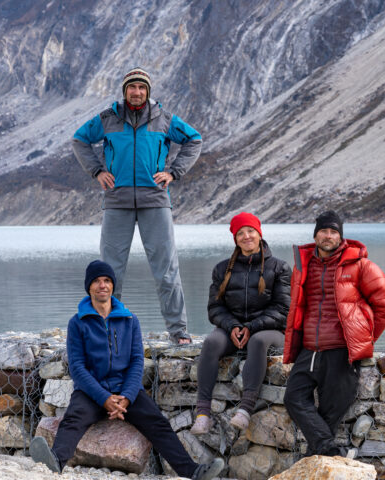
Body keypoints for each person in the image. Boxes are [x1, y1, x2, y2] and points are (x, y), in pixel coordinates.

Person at [29, 261, 223, 479]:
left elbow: (137, 361)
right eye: (96, 281)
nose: (102, 285)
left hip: (126, 391)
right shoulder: (77, 323)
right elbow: (77, 368)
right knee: (73, 419)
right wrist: (104, 398)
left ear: (113, 285)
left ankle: (193, 471)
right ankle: (55, 462)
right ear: (89, 287)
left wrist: (127, 397)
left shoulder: (129, 320)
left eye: (107, 280)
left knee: (158, 422)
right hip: (91, 392)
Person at [72, 67, 201, 344]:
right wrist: (97, 171)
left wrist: (173, 172)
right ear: (125, 90)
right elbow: (79, 139)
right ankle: (105, 330)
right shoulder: (108, 118)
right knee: (109, 272)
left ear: (148, 91)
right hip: (116, 200)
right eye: (132, 87)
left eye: (142, 88)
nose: (137, 92)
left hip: (155, 199)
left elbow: (194, 139)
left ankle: (178, 331)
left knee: (166, 269)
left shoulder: (164, 119)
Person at [282, 210, 385, 457]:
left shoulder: (359, 265)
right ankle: (331, 452)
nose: (328, 236)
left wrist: (364, 339)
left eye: (334, 231)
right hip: (309, 348)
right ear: (316, 235)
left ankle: (318, 458)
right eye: (324, 231)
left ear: (340, 236)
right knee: (293, 398)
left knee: (331, 410)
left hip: (340, 350)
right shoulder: (304, 265)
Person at [190, 212, 291, 434]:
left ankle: (245, 409)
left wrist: (251, 327)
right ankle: (203, 413)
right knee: (211, 343)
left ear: (259, 234)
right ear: (235, 239)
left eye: (250, 231)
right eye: (240, 233)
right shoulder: (222, 269)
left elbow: (283, 310)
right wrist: (232, 326)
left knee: (257, 341)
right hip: (232, 329)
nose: (246, 236)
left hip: (270, 331)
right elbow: (215, 308)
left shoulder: (279, 267)